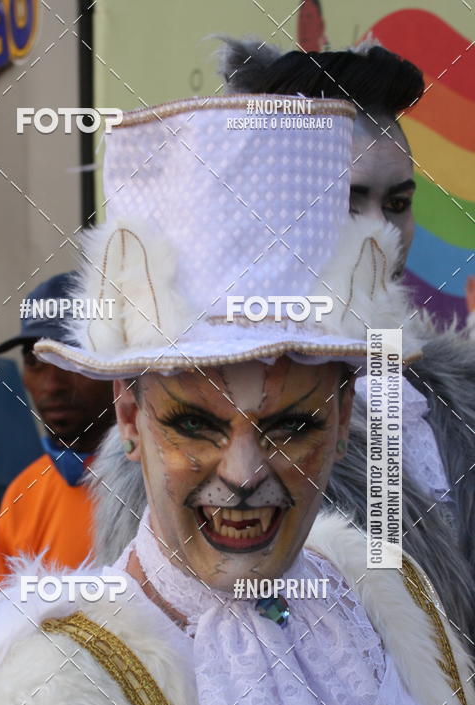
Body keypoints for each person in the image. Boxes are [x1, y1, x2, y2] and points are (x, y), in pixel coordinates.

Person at [0, 93, 474, 705]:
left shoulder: (397, 608)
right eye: (194, 424)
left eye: (291, 425)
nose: (242, 473)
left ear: (342, 415)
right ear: (129, 416)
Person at [91, 40, 475, 648]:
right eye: (348, 201)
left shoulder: (448, 391)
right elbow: (163, 656)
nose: (382, 235)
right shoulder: (165, 437)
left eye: (397, 203)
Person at [0, 273, 114, 578]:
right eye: (34, 361)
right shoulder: (22, 495)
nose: (52, 385)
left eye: (71, 358)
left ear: (118, 364)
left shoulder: (164, 489)